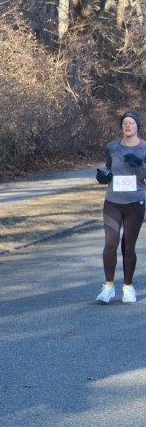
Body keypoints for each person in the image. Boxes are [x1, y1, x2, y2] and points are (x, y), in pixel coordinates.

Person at [94, 110, 146, 303]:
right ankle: (108, 287)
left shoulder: (145, 148)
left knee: (128, 246)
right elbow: (108, 168)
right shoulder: (112, 147)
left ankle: (128, 287)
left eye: (131, 122)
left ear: (137, 126)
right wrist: (103, 176)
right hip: (113, 202)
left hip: (135, 203)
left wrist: (141, 164)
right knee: (111, 242)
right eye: (125, 122)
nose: (128, 125)